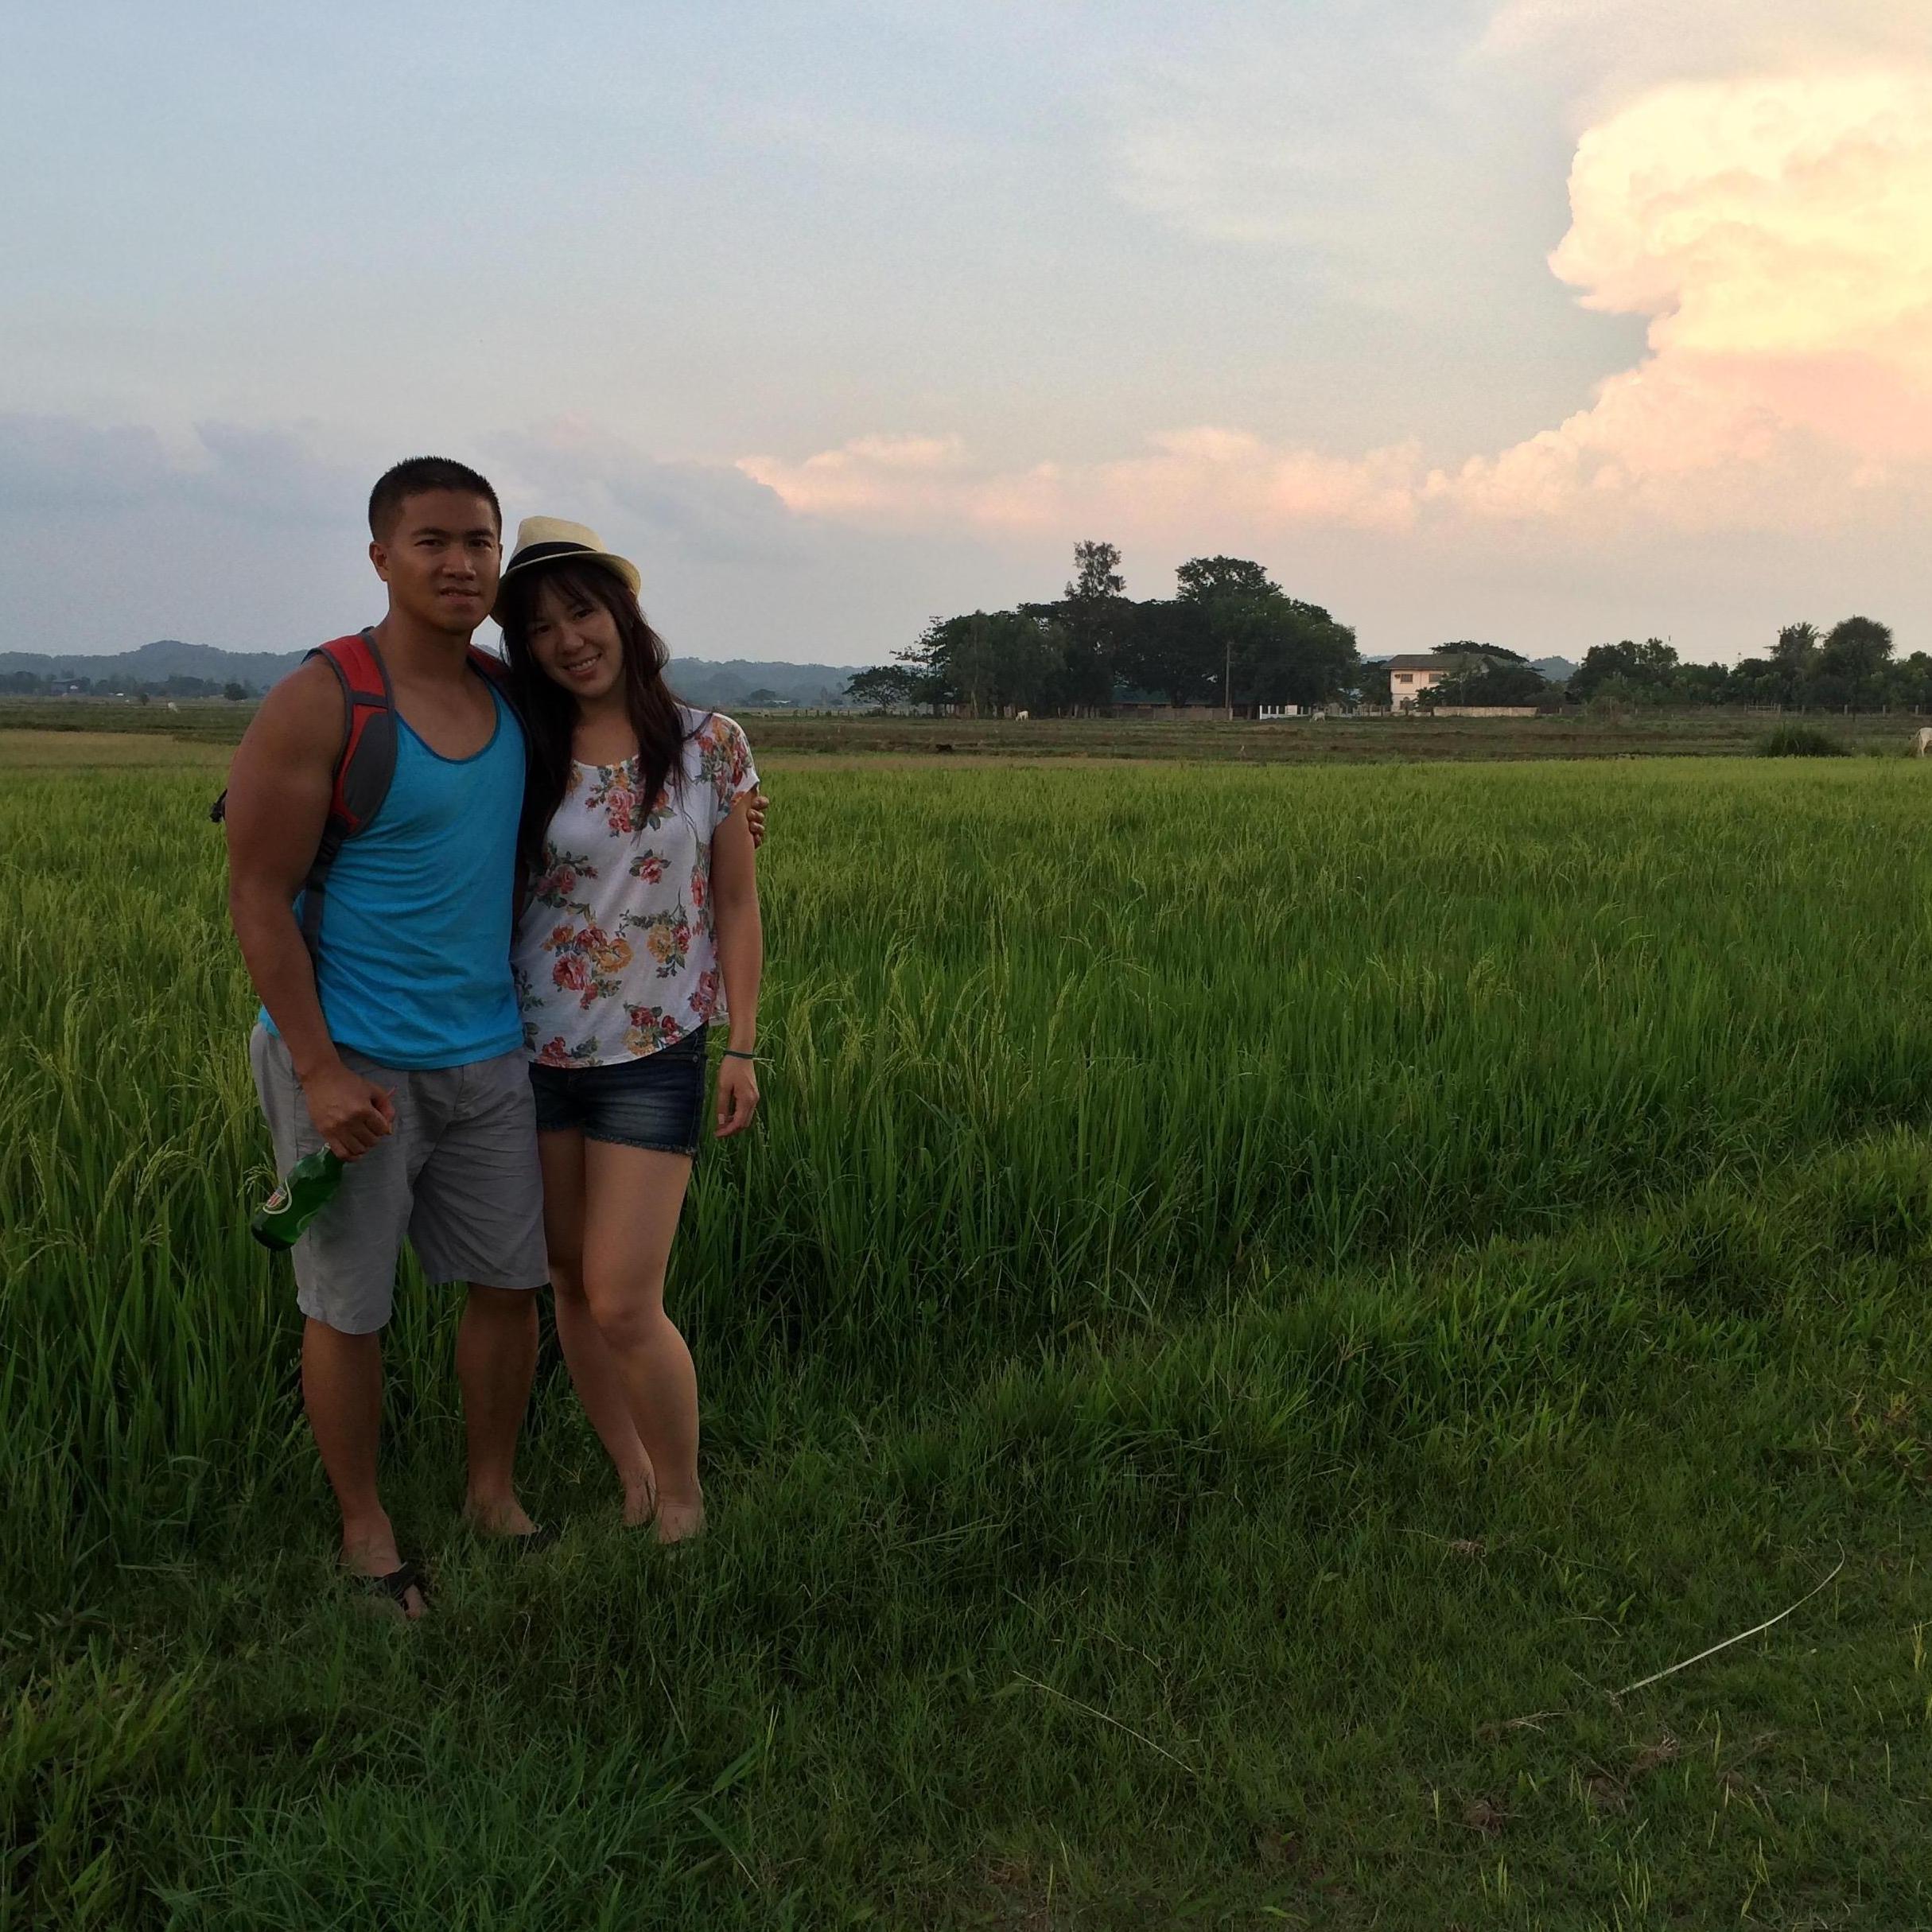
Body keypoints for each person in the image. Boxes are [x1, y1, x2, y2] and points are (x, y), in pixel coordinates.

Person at [225, 457, 547, 1618]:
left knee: (511, 1283)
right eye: (432, 542)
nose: (462, 563)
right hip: (349, 1057)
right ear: (379, 557)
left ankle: (491, 1494)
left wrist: (738, 802)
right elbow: (256, 894)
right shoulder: (325, 697)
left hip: (488, 1050)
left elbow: (632, 781)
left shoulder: (514, 698)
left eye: (481, 541)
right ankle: (366, 1530)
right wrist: (316, 1068)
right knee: (347, 1305)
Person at [495, 517, 764, 1545]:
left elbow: (736, 903)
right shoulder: (513, 744)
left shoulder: (710, 743)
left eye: (582, 609)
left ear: (621, 612)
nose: (568, 637)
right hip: (530, 1049)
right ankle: (634, 1478)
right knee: (565, 1278)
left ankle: (685, 1498)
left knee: (619, 1296)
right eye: (541, 625)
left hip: (656, 1049)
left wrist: (742, 1042)